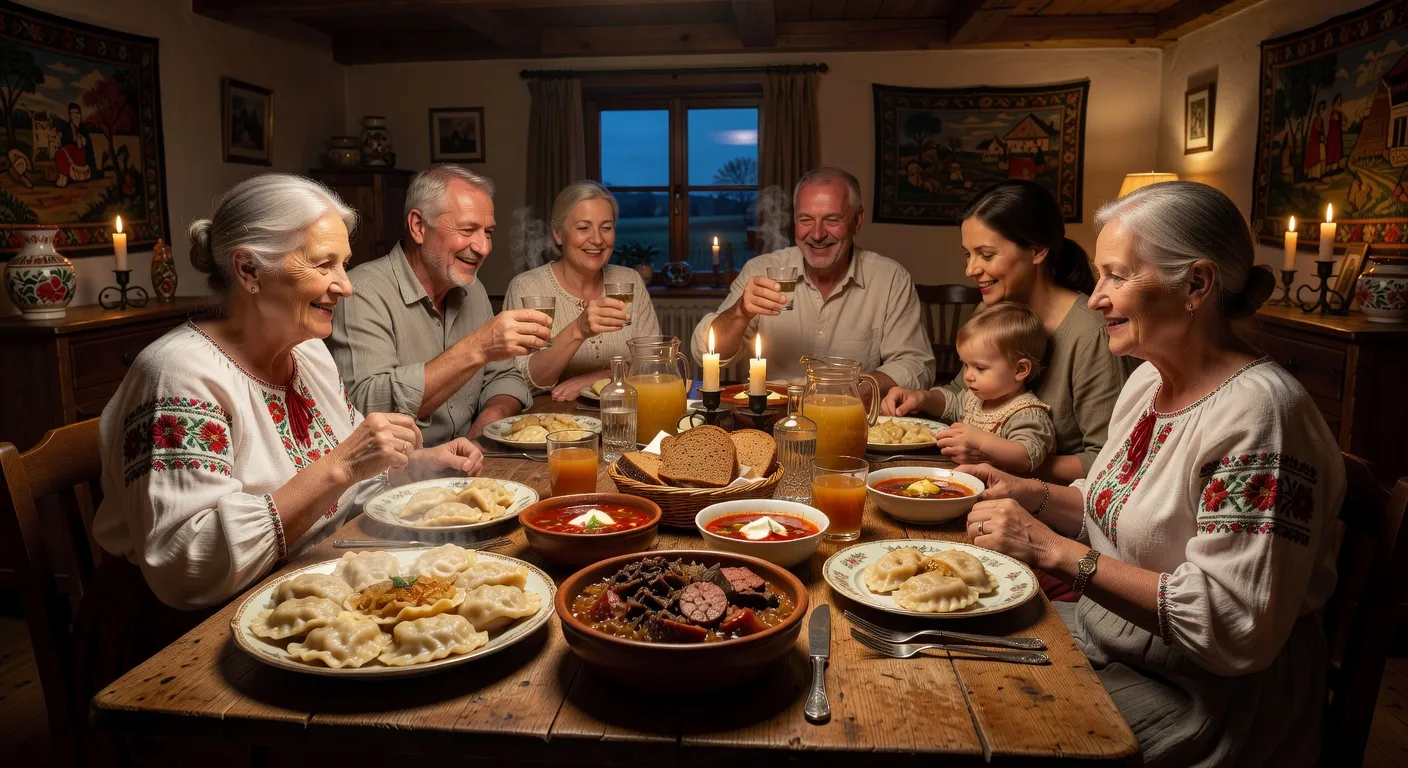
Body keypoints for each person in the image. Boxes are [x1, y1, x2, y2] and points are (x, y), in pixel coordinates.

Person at [960, 181, 1341, 766]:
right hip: (1116, 640)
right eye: (1099, 274)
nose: (1095, 298)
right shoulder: (1146, 381)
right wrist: (1031, 494)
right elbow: (1114, 503)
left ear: (1196, 284)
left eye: (1117, 276)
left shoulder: (1261, 417)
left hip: (1210, 695)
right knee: (951, 649)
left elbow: (1230, 623)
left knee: (983, 735)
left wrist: (1056, 552)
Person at [79, 173, 486, 698]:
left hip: (297, 596)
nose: (347, 284)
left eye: (343, 262)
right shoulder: (179, 375)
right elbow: (186, 565)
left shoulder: (308, 353)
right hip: (174, 647)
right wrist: (340, 465)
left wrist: (414, 462)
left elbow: (344, 479)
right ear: (248, 269)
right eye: (324, 265)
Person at [883, 180, 1127, 484]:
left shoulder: (1091, 335)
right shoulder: (993, 311)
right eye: (967, 255)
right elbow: (965, 396)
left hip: (1056, 505)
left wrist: (1000, 460)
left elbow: (1107, 460)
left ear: (1037, 251)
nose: (970, 269)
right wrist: (922, 398)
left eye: (986, 255)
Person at [328, 166, 548, 445]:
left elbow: (504, 377)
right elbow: (367, 407)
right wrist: (477, 348)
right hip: (400, 476)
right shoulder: (362, 292)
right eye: (468, 229)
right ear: (418, 227)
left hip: (476, 463)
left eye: (488, 232)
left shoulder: (473, 290)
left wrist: (490, 421)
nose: (483, 247)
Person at [691, 167, 934, 394]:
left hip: (848, 416)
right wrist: (740, 311)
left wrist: (857, 389)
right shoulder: (762, 270)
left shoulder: (890, 278)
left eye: (832, 220)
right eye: (806, 220)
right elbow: (706, 353)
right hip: (772, 418)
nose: (817, 234)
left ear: (857, 222)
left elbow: (916, 364)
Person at [503, 181, 660, 400]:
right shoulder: (529, 287)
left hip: (626, 415)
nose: (597, 240)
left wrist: (598, 378)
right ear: (558, 234)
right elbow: (523, 382)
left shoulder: (629, 280)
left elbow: (654, 366)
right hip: (553, 422)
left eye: (606, 227)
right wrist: (579, 328)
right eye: (583, 228)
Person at [895, 302, 1055, 474]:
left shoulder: (1026, 412)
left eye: (980, 368)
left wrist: (981, 440)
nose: (968, 376)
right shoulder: (976, 399)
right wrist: (921, 399)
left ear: (1020, 369)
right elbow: (951, 404)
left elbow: (1027, 456)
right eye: (965, 365)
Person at [54, 103, 95, 187]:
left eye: (77, 113)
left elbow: (86, 148)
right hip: (68, 157)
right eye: (72, 114)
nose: (75, 116)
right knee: (60, 152)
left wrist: (78, 133)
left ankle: (65, 176)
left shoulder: (83, 129)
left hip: (80, 158)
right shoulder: (65, 128)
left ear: (80, 114)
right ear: (69, 116)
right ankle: (63, 176)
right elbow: (62, 144)